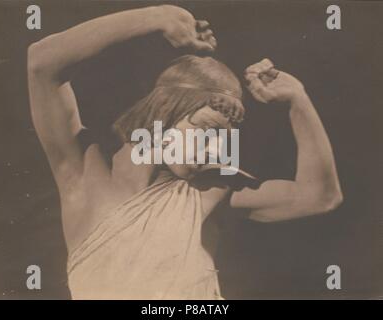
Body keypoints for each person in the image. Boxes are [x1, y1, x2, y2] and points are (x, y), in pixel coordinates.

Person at [27, 5, 343, 299]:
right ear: (164, 115)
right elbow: (42, 63)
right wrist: (157, 16)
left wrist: (297, 100)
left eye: (225, 141)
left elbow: (320, 197)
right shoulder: (85, 176)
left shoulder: (211, 191)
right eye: (209, 132)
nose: (216, 152)